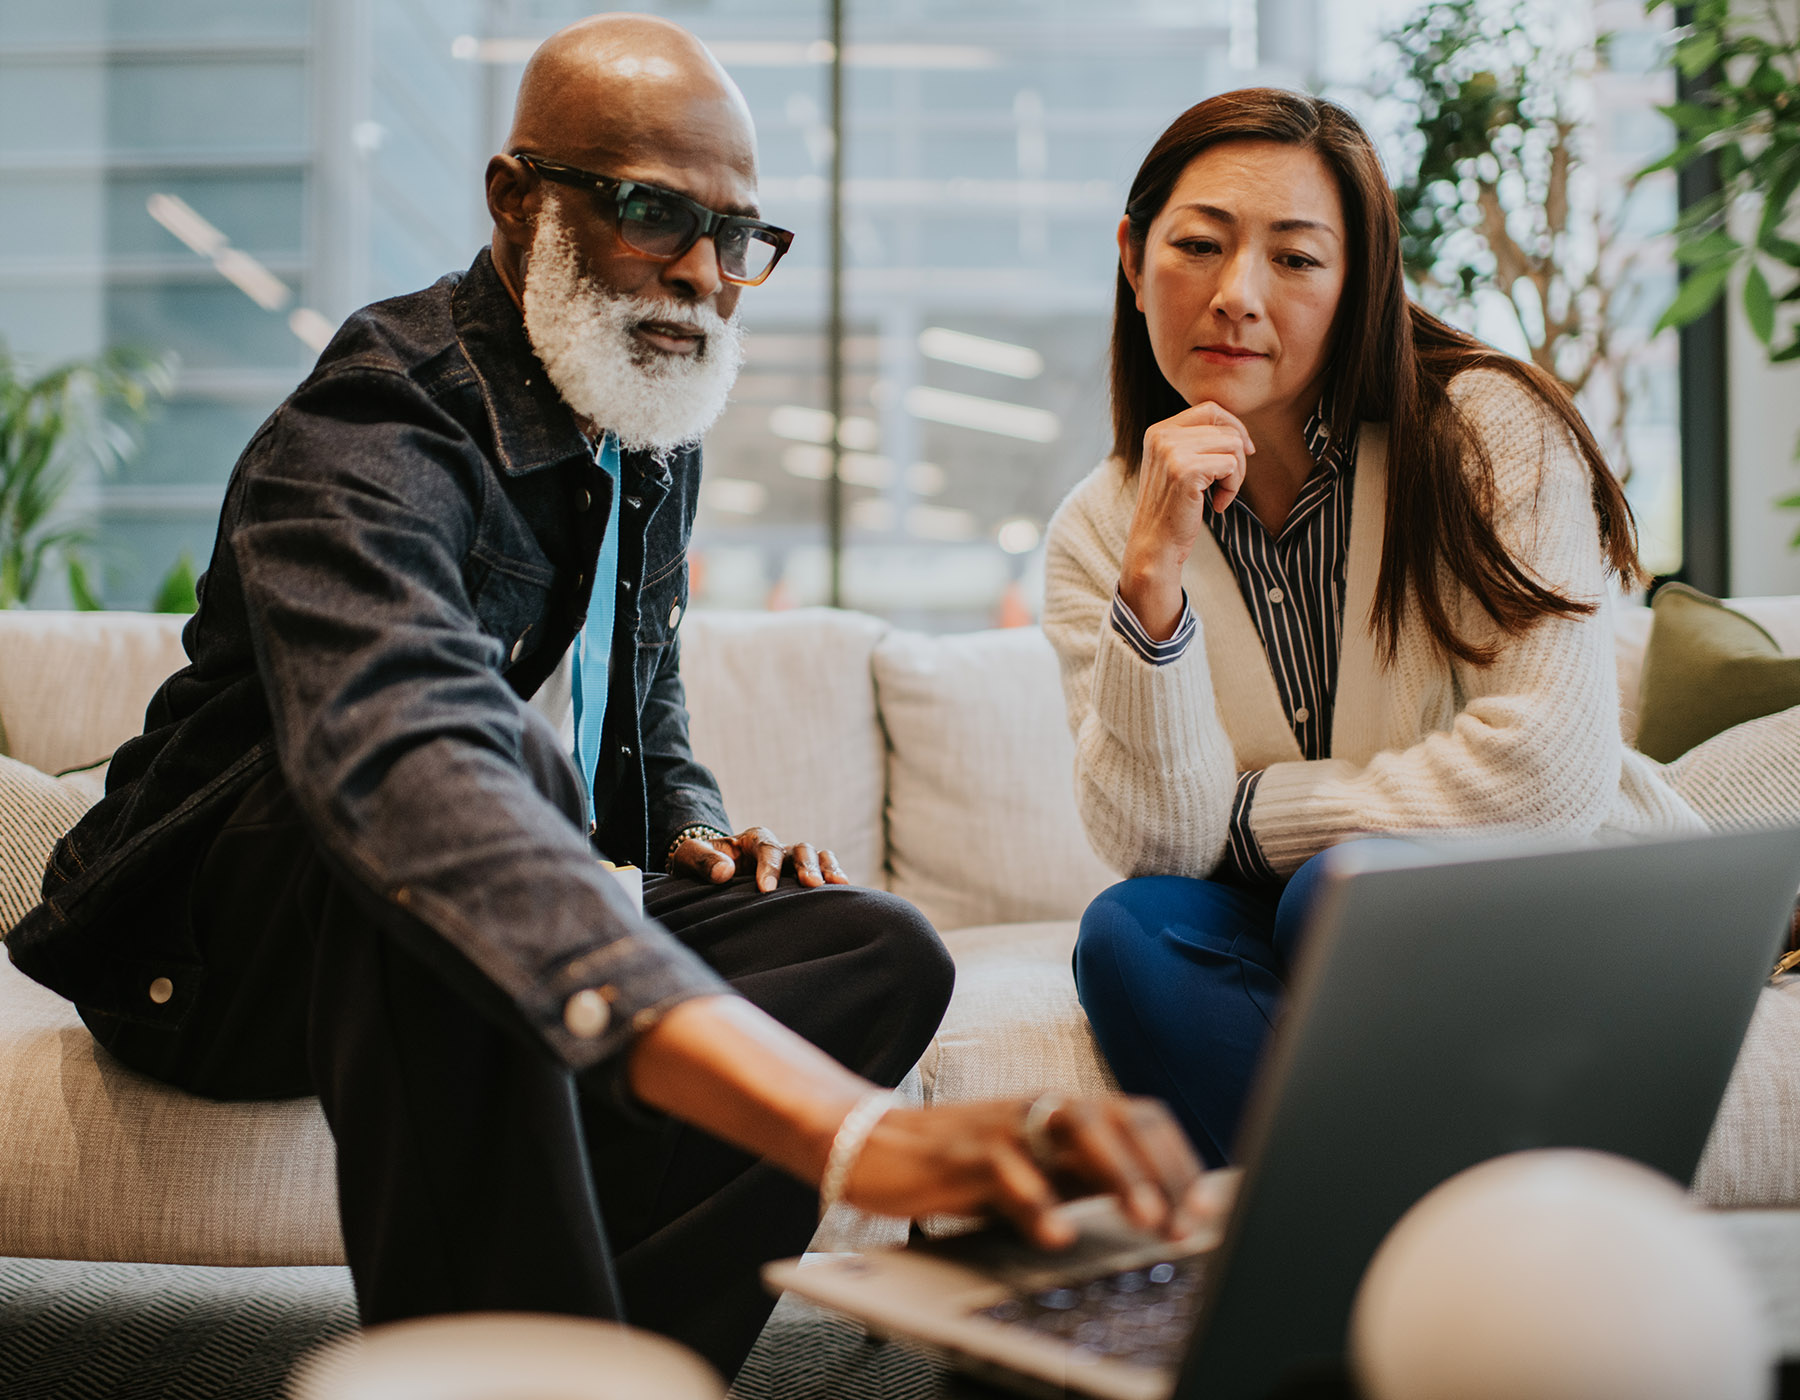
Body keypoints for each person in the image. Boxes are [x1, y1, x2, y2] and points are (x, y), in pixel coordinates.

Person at [6, 15, 1209, 1381]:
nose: (702, 274)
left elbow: (644, 703)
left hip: (476, 887)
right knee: (488, 769)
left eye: (738, 235)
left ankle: (616, 1357)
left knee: (872, 950)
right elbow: (413, 752)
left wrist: (690, 824)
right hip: (221, 949)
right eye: (652, 213)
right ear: (519, 201)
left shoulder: (641, 425)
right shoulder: (373, 422)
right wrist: (854, 1132)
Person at [1042, 89, 1708, 1170]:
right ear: (1133, 254)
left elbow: (1546, 771)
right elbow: (1164, 844)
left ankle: (1351, 1262)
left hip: (1556, 884)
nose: (1237, 296)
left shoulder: (1485, 429)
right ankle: (1336, 1259)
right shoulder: (1099, 529)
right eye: (1199, 245)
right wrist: (1153, 578)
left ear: (1360, 283)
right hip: (1320, 910)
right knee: (1132, 930)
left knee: (1343, 891)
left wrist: (1259, 821)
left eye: (1297, 260)